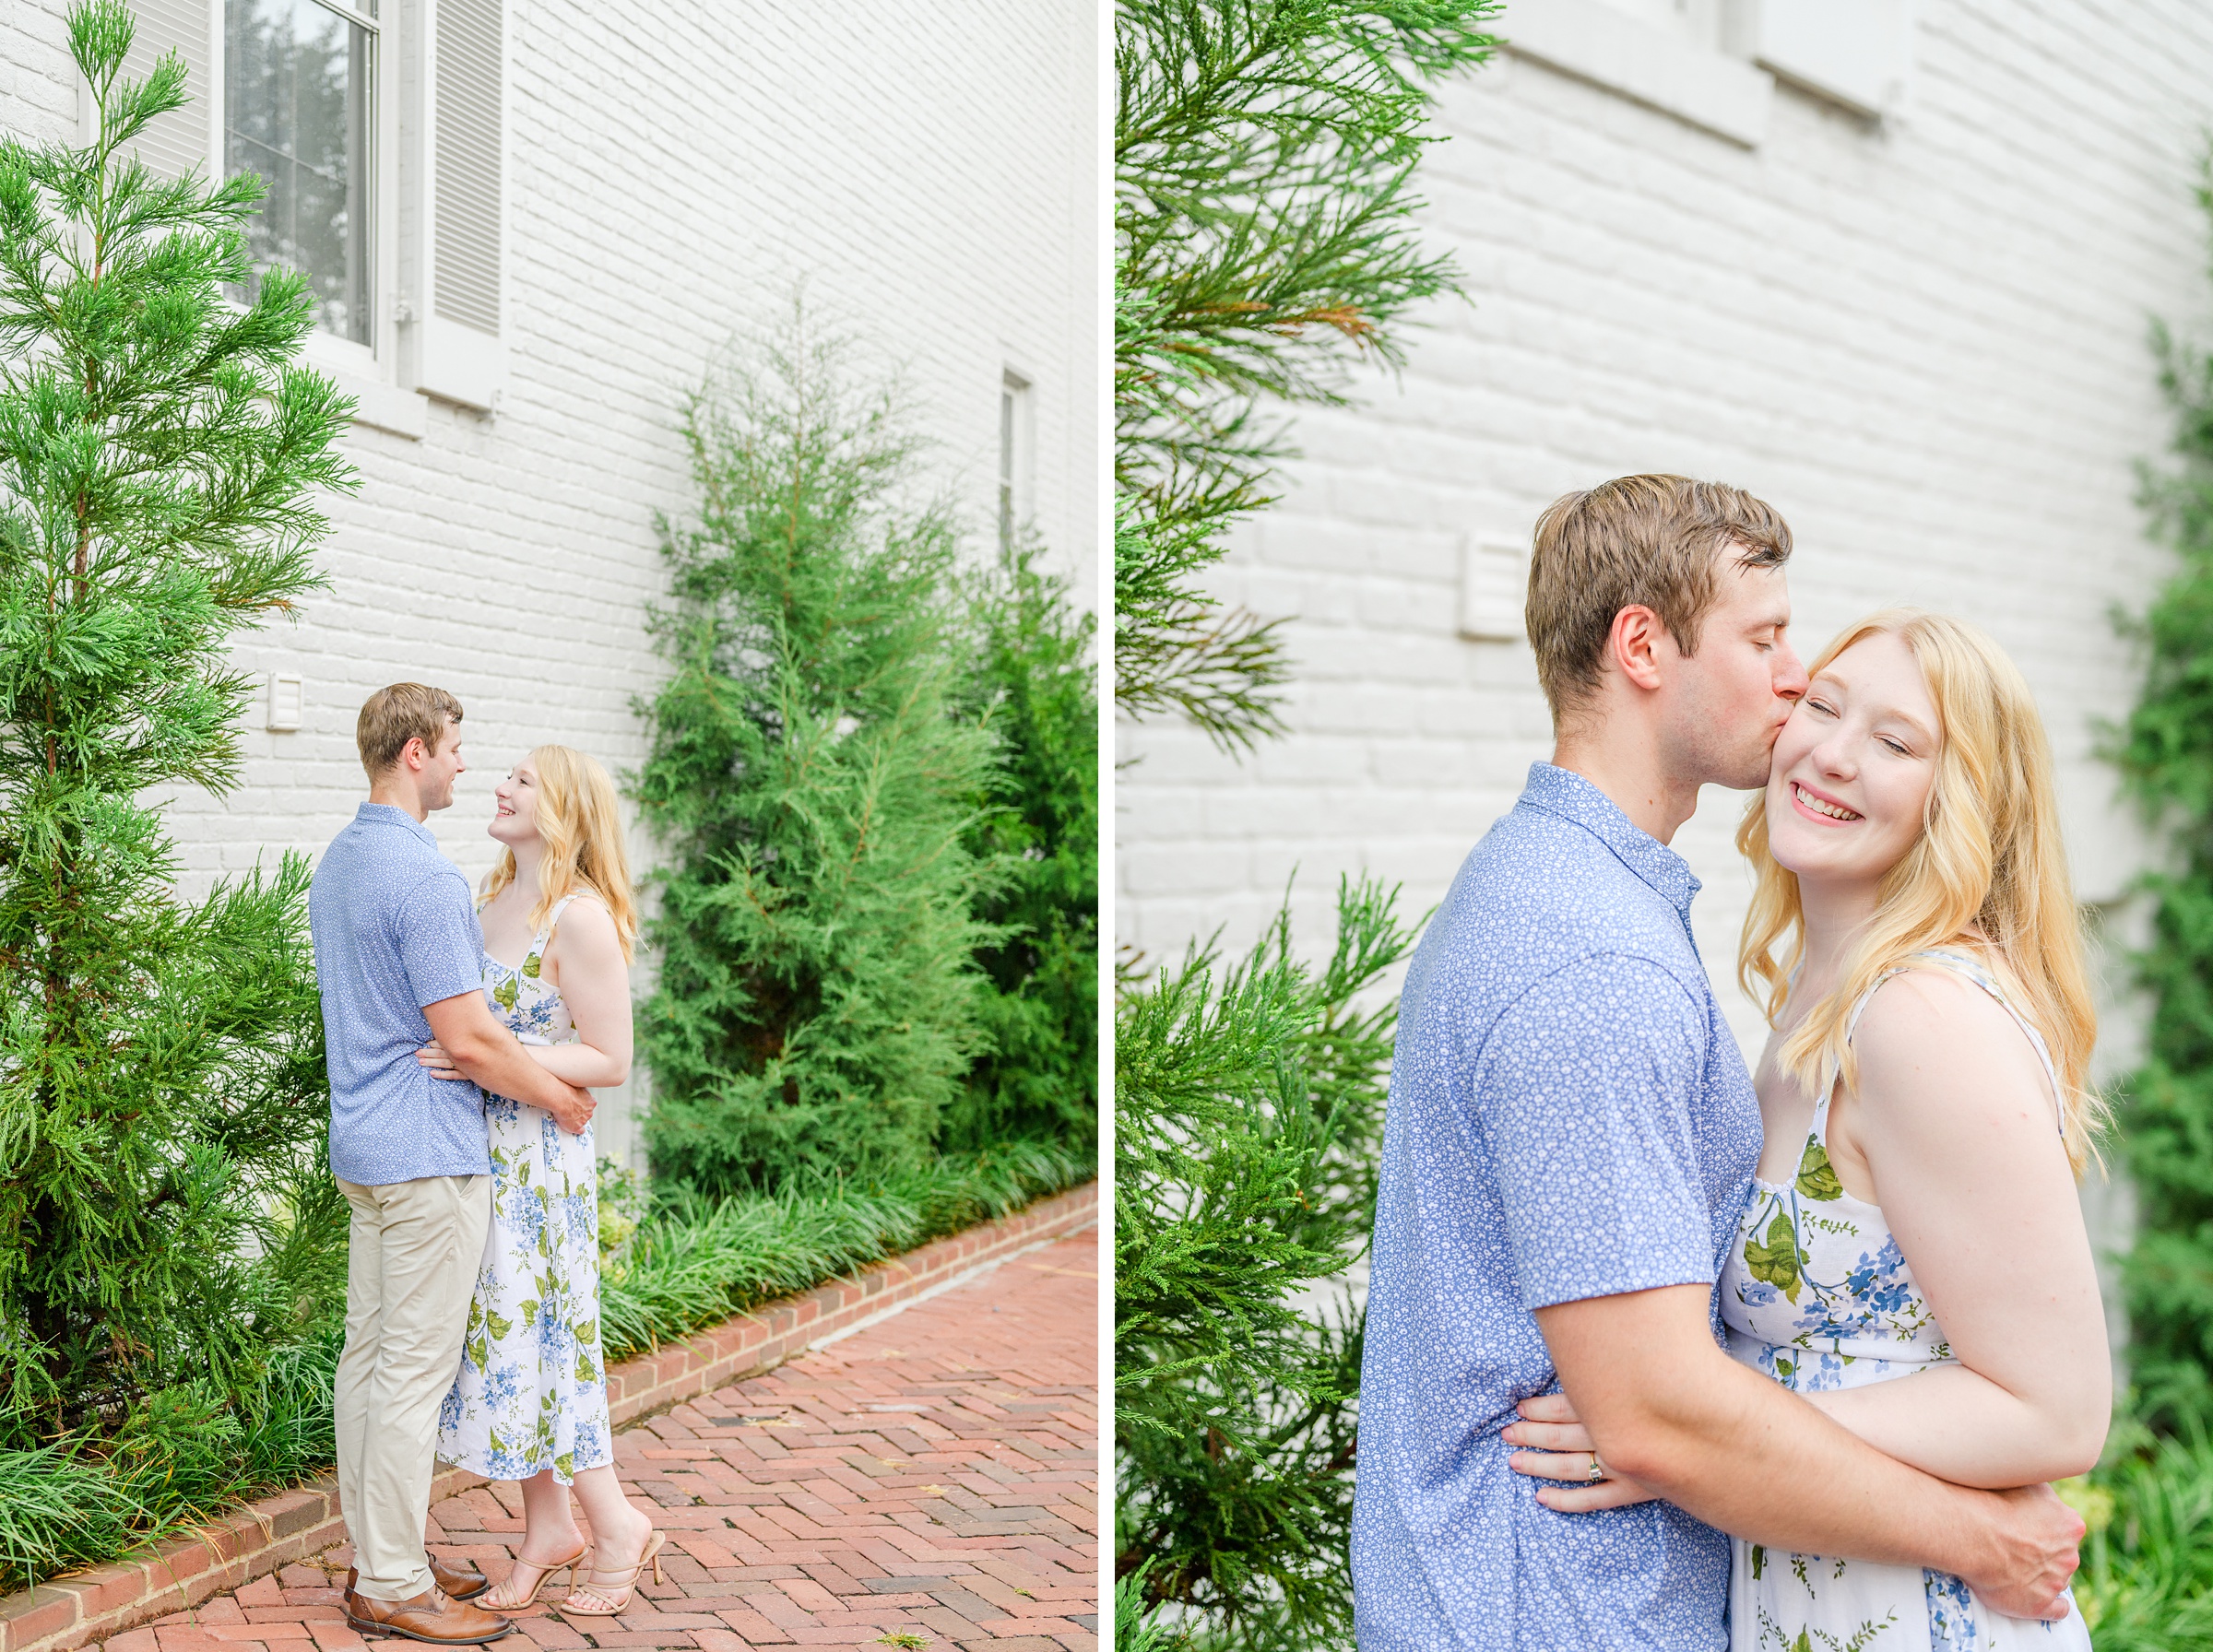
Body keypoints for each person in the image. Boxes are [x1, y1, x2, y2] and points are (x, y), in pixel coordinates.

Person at [1347, 478, 2086, 1650]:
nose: (1794, 686)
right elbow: (1657, 1414)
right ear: (1643, 645)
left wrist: (1692, 1418)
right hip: (1554, 1608)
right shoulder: (1596, 958)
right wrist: (1676, 1421)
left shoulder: (1603, 919)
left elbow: (1670, 1408)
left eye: (1891, 737)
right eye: (1769, 640)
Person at [1506, 610, 2110, 1647]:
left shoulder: (1922, 1019)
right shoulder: (1816, 1001)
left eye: (1895, 741)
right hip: (1813, 1592)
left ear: (1959, 801)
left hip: (1914, 1612)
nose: (1832, 752)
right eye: (1822, 707)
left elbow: (2059, 1413)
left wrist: (1693, 1437)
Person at [312, 686, 596, 1646]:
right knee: (407, 1377)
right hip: (428, 1157)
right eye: (460, 749)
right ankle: (392, 1579)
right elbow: (470, 1039)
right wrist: (556, 1095)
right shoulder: (425, 877)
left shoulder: (343, 858)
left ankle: (377, 1554)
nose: (469, 766)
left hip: (364, 1149)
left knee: (368, 1363)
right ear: (419, 752)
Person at [421, 745, 666, 1616]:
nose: (498, 785)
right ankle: (550, 1530)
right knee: (508, 1350)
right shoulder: (487, 899)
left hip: (539, 1169)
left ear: (562, 807)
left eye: (522, 780)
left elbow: (611, 1057)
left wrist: (496, 1058)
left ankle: (616, 1525)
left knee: (550, 1343)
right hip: (479, 1153)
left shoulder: (581, 917)